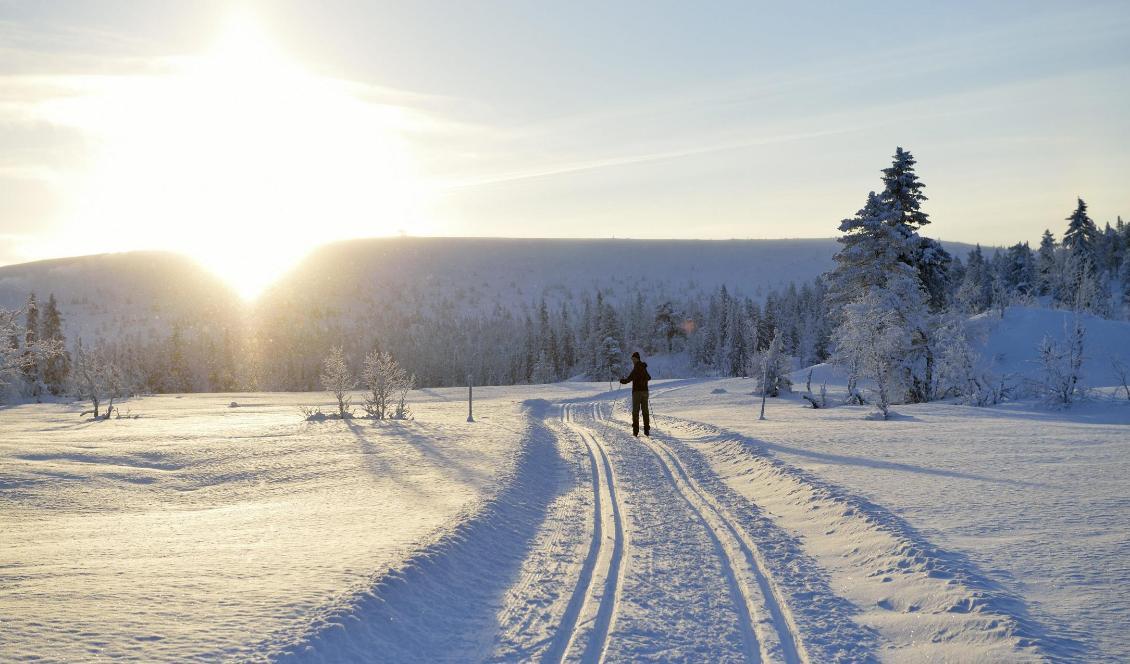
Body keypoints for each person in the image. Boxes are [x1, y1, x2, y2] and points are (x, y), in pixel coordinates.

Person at [619, 351, 650, 437]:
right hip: (645, 392)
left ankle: (635, 431)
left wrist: (622, 381)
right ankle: (646, 430)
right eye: (632, 359)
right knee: (645, 411)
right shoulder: (643, 367)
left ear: (637, 359)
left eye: (633, 359)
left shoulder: (636, 368)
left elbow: (629, 379)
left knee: (635, 412)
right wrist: (643, 380)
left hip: (637, 392)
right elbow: (649, 378)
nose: (632, 360)